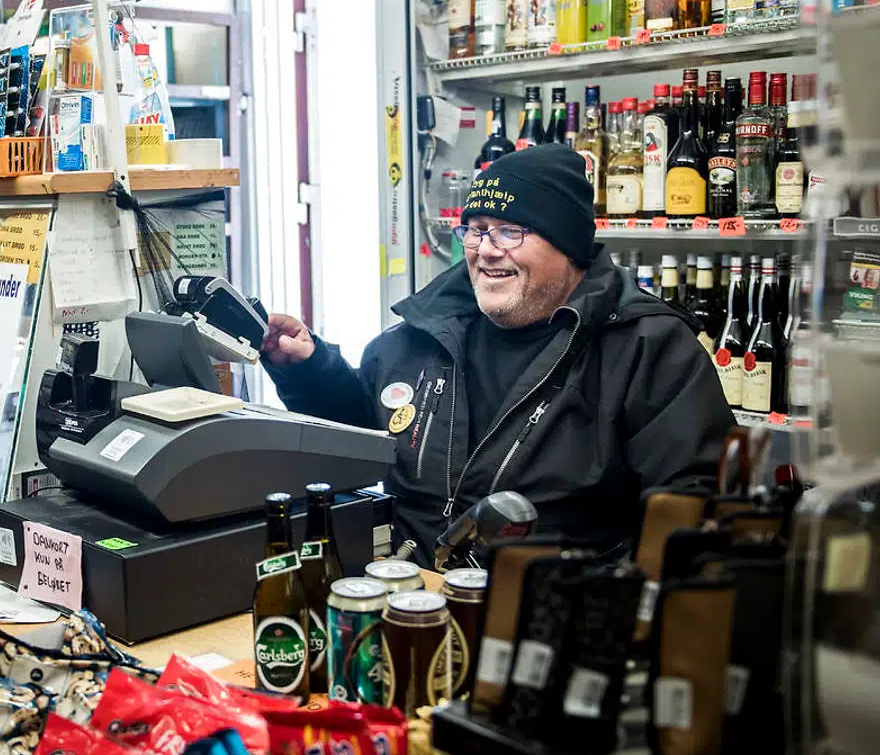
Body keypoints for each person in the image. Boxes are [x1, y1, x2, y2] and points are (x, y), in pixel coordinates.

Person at [263, 145, 735, 566]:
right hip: (410, 604)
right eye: (476, 230)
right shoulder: (419, 336)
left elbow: (690, 511)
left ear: (568, 247)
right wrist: (311, 372)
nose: (486, 251)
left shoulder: (648, 349)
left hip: (551, 624)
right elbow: (365, 435)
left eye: (510, 231)